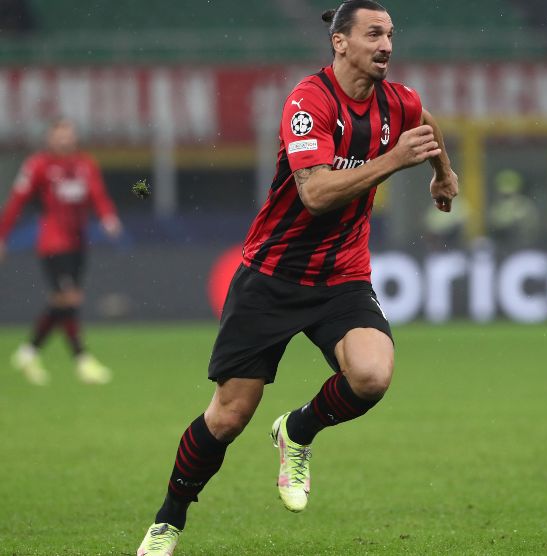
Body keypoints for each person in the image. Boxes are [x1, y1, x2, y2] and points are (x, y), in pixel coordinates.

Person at [136, 2, 458, 554]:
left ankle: (298, 432)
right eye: (373, 34)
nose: (386, 45)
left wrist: (442, 174)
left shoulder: (398, 101)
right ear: (340, 42)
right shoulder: (308, 102)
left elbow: (425, 125)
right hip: (273, 274)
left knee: (373, 376)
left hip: (342, 276)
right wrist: (395, 163)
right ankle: (168, 521)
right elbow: (314, 194)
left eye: (391, 35)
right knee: (230, 416)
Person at [0, 117, 122, 386]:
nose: (65, 139)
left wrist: (108, 217)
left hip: (79, 243)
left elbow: (98, 195)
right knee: (69, 298)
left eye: (69, 134)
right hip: (53, 243)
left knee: (63, 301)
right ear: (50, 138)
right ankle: (82, 359)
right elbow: (16, 202)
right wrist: (2, 236)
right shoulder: (38, 166)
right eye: (60, 135)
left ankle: (28, 352)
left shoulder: (85, 165)